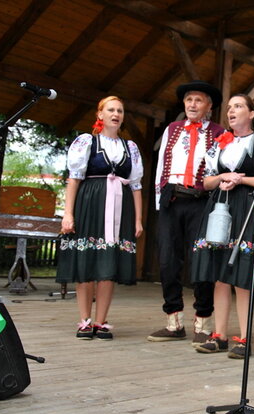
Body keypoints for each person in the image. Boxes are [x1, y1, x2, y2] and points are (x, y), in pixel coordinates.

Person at [191, 94, 254, 359]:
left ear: (251, 113)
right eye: (229, 108)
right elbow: (205, 182)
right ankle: (219, 335)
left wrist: (241, 180)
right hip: (219, 206)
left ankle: (244, 337)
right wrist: (222, 178)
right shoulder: (220, 143)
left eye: (238, 106)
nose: (231, 111)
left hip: (246, 207)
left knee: (241, 276)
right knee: (219, 274)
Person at [57, 95, 144, 340]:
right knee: (86, 261)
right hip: (90, 204)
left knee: (109, 264)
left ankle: (101, 321)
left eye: (120, 111)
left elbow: (136, 186)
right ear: (100, 115)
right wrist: (68, 213)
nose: (116, 114)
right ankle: (84, 320)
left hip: (120, 209)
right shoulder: (87, 142)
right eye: (111, 110)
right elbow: (74, 178)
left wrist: (138, 219)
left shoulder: (131, 148)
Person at [148, 81, 225, 346]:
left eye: (198, 100)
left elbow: (221, 167)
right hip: (171, 198)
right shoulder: (173, 129)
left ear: (209, 106)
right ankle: (173, 322)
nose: (192, 105)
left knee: (202, 261)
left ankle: (203, 322)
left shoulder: (219, 132)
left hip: (201, 201)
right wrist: (160, 203)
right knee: (168, 260)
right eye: (189, 100)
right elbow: (161, 166)